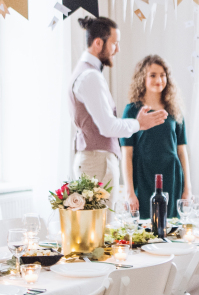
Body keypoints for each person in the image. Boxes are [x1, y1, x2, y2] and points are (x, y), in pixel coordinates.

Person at [69, 16, 166, 196]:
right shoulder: (91, 76)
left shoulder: (84, 72)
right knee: (102, 223)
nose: (118, 49)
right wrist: (139, 124)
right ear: (98, 43)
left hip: (93, 160)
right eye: (115, 43)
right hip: (97, 162)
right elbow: (108, 127)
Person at [121, 55, 191, 219]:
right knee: (144, 230)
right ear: (142, 78)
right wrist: (129, 192)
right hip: (143, 176)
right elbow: (127, 155)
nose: (158, 79)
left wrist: (188, 188)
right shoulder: (131, 110)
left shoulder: (175, 110)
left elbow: (182, 152)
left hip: (172, 176)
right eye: (153, 75)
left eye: (162, 75)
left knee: (171, 228)